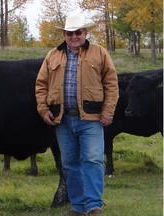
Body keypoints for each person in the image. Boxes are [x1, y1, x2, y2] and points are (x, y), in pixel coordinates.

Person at [35, 14, 119, 216]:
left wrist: (108, 111)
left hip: (91, 119)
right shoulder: (52, 55)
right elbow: (41, 85)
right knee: (70, 164)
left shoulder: (100, 53)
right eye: (70, 33)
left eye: (78, 32)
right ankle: (78, 207)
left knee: (93, 161)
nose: (74, 36)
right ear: (64, 34)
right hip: (62, 120)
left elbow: (111, 84)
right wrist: (43, 109)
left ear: (85, 33)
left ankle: (94, 206)